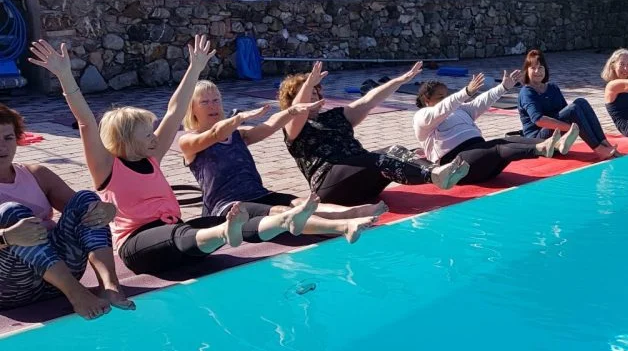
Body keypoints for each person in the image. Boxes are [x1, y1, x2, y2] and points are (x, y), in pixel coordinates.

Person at [30, 36, 321, 276]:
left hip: (175, 233)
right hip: (138, 244)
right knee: (189, 235)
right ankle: (225, 234)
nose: (153, 135)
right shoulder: (106, 167)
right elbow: (85, 122)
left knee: (214, 225)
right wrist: (65, 76)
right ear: (127, 137)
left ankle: (286, 221)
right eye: (146, 131)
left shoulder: (152, 155)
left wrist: (194, 68)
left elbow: (175, 111)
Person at [180, 81, 383, 243]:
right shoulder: (189, 141)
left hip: (258, 193)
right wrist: (239, 118)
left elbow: (268, 126)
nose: (213, 105)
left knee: (302, 202)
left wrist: (292, 111)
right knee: (282, 212)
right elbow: (216, 133)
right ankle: (342, 227)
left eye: (216, 100)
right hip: (228, 206)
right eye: (205, 102)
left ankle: (355, 212)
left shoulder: (238, 135)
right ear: (193, 109)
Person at [0, 103, 131, 318]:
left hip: (60, 274)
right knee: (11, 212)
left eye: (8, 138)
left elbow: (83, 213)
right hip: (11, 287)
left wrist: (107, 210)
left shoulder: (36, 174)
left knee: (86, 200)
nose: (2, 147)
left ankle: (109, 286)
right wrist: (7, 237)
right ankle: (77, 294)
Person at [278, 61, 469, 206]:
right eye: (307, 92)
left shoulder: (335, 116)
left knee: (395, 150)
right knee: (377, 158)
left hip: (361, 185)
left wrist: (399, 81)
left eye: (314, 91)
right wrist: (308, 83)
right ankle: (435, 174)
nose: (312, 95)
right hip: (331, 187)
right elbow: (298, 110)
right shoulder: (293, 126)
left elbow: (369, 100)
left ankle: (436, 172)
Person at [414, 69, 576, 184]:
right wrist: (466, 92)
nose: (446, 98)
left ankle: (556, 145)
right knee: (497, 147)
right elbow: (441, 109)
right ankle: (539, 148)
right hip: (455, 167)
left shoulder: (460, 109)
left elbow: (481, 102)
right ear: (427, 100)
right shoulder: (423, 117)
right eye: (440, 96)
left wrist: (503, 87)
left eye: (447, 95)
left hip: (482, 162)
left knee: (510, 140)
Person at [517, 49, 619, 160]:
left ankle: (605, 144)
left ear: (545, 69)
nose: (537, 71)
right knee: (573, 109)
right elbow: (539, 120)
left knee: (581, 102)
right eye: (533, 68)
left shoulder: (552, 88)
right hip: (537, 139)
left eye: (540, 67)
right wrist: (571, 128)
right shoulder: (526, 92)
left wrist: (573, 127)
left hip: (555, 133)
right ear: (527, 71)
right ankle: (599, 149)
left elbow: (566, 112)